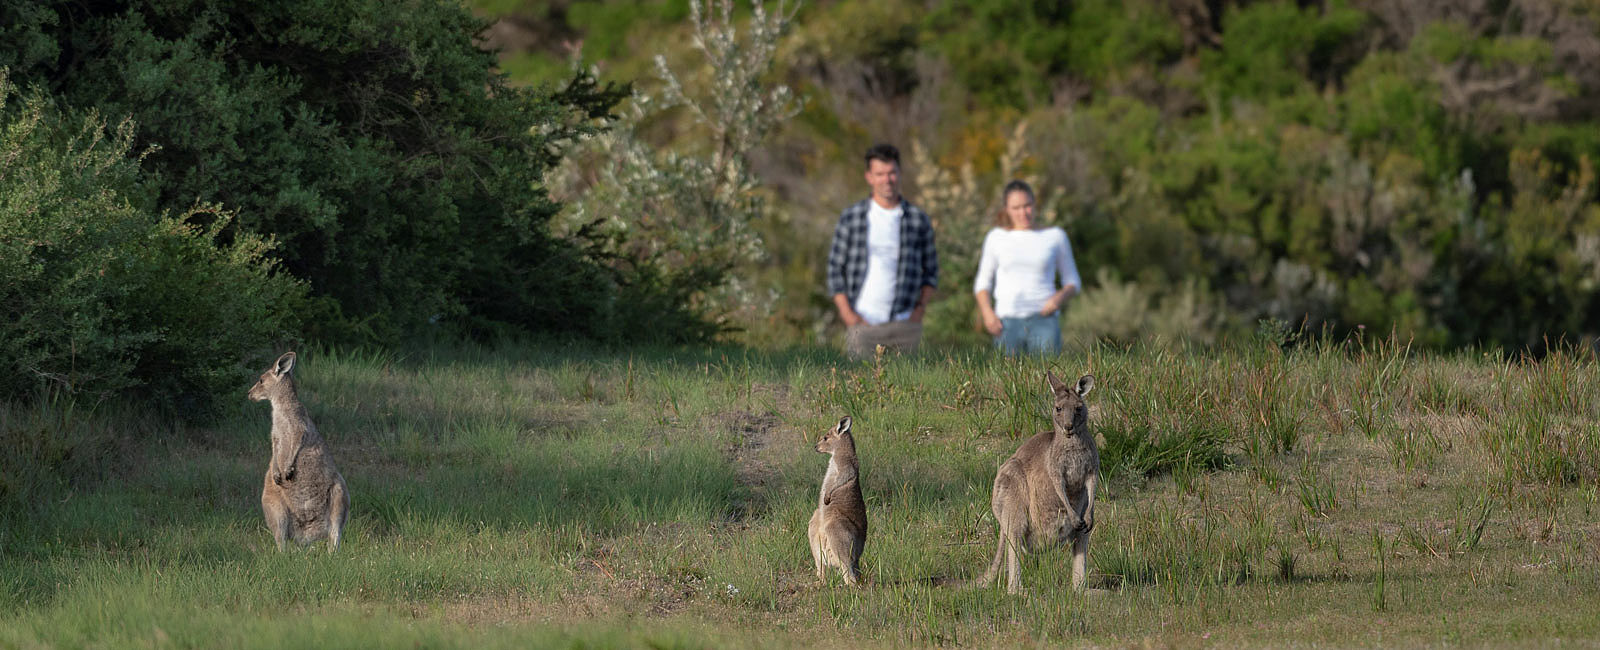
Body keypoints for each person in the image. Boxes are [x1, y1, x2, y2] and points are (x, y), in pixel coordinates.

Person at [826, 143, 940, 361]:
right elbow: (835, 268)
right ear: (869, 176)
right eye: (880, 174)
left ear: (899, 173)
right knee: (858, 391)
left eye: (891, 173)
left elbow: (931, 270)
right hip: (863, 325)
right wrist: (847, 314)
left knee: (908, 391)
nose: (887, 180)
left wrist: (919, 311)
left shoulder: (918, 219)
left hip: (905, 324)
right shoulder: (852, 217)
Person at [973, 180, 1081, 356]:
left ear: (1034, 204)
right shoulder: (996, 237)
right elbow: (982, 282)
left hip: (1044, 321)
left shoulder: (1055, 236)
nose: (1023, 213)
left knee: (1047, 377)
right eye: (1016, 208)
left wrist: (1058, 299)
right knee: (1005, 380)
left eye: (1027, 206)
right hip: (1006, 323)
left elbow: (1073, 282)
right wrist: (987, 313)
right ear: (1006, 209)